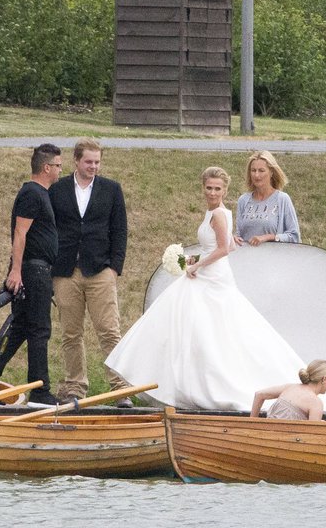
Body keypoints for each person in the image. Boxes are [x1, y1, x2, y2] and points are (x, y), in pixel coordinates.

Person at [105, 167, 307, 411]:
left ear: (225, 190)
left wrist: (197, 264)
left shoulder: (219, 215)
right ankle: (190, 384)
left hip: (213, 278)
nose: (212, 192)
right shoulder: (213, 212)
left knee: (212, 329)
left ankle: (205, 384)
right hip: (208, 272)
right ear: (203, 188)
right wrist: (192, 260)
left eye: (217, 189)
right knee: (197, 328)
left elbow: (224, 249)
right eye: (209, 188)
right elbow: (228, 245)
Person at [0, 144, 62, 407]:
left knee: (21, 327)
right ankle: (40, 390)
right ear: (46, 167)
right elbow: (20, 233)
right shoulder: (32, 194)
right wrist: (16, 271)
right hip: (33, 271)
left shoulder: (40, 194)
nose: (59, 170)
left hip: (36, 270)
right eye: (58, 166)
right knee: (39, 330)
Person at [48, 138, 133, 408]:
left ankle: (120, 389)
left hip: (100, 270)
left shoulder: (111, 189)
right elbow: (49, 228)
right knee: (71, 333)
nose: (93, 166)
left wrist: (114, 267)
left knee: (109, 330)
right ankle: (74, 388)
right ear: (76, 161)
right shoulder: (58, 189)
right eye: (88, 162)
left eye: (97, 162)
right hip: (66, 271)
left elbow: (120, 230)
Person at [234, 151, 301, 246]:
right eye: (253, 170)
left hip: (273, 258)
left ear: (271, 172)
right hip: (247, 258)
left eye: (261, 170)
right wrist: (234, 238)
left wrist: (269, 237)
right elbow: (239, 234)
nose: (257, 175)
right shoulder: (243, 200)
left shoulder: (282, 199)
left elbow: (294, 237)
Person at [250, 360, 326, 421]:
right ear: (323, 379)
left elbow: (259, 394)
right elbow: (313, 434)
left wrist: (252, 425)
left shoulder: (289, 387)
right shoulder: (316, 403)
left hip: (265, 436)